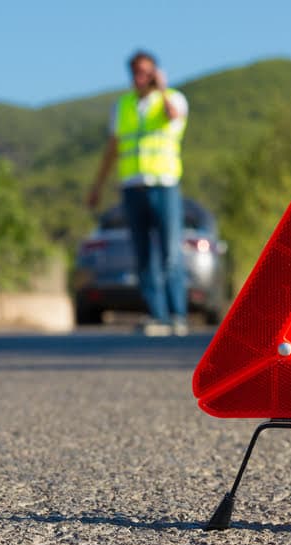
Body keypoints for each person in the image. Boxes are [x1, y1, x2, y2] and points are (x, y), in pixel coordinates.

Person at [87, 50, 189, 337]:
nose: (140, 77)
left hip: (164, 184)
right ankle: (157, 315)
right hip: (132, 186)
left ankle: (177, 315)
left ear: (155, 72)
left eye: (146, 72)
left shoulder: (173, 98)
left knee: (170, 252)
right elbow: (113, 148)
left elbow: (173, 116)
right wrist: (97, 186)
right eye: (135, 72)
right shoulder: (124, 106)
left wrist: (163, 88)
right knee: (143, 255)